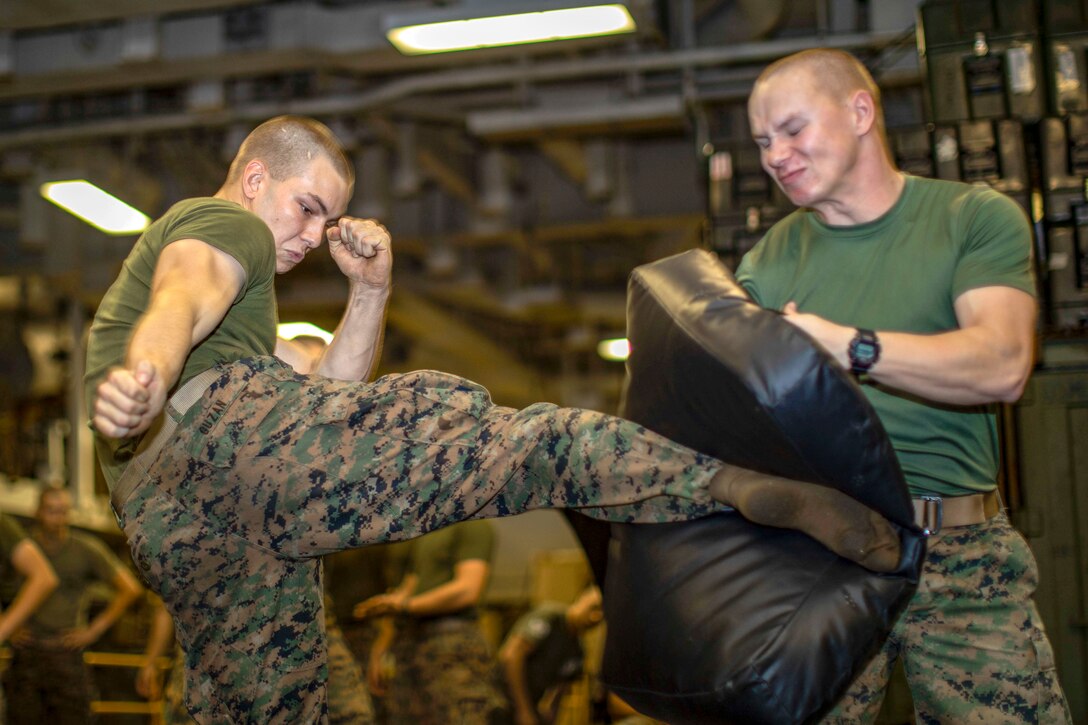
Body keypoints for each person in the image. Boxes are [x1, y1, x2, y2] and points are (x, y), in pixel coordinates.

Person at [85, 114, 902, 724]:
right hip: (209, 435)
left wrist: (370, 289)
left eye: (322, 221)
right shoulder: (223, 224)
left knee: (264, 706)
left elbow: (328, 393)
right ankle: (727, 482)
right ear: (256, 178)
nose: (307, 237)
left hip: (182, 524)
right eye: (304, 208)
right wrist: (148, 375)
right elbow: (183, 294)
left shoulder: (244, 339)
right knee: (468, 420)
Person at [737, 48, 1072, 723]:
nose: (777, 155)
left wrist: (846, 345)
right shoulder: (768, 261)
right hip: (823, 556)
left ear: (860, 111)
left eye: (794, 129)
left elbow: (1003, 362)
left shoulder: (971, 218)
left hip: (959, 553)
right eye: (764, 141)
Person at [3, 486, 143, 724]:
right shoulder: (20, 547)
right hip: (27, 651)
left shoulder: (85, 549)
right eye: (50, 511)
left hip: (65, 652)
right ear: (37, 511)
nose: (57, 519)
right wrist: (8, 627)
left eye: (62, 511)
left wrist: (92, 631)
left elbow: (130, 589)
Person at [355, 520, 507, 724]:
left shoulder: (472, 524)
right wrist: (383, 643)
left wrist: (405, 606)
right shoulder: (426, 527)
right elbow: (411, 586)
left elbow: (468, 589)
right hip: (412, 642)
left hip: (452, 643)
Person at [498, 585, 603, 725]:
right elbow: (511, 656)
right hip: (499, 700)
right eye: (594, 607)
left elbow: (558, 694)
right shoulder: (550, 617)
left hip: (529, 707)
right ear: (582, 598)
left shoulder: (577, 651)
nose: (595, 616)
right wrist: (523, 710)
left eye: (603, 614)